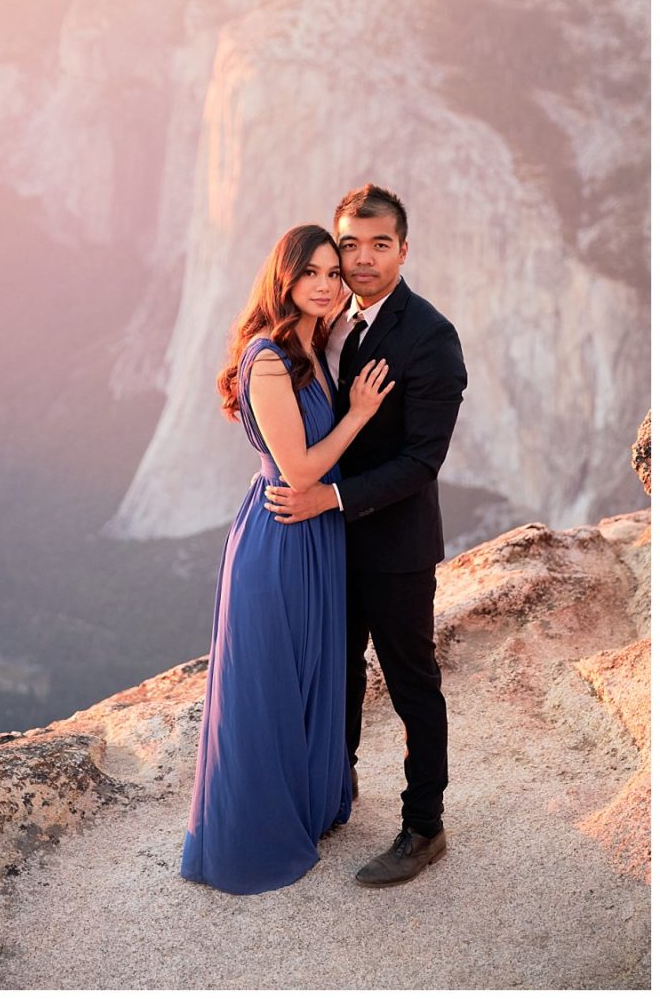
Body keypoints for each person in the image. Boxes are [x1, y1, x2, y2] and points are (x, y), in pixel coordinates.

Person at [181, 224, 393, 895]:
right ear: (285, 278)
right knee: (271, 680)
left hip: (317, 534)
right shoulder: (268, 357)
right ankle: (256, 831)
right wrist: (358, 414)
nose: (328, 283)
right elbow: (298, 468)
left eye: (335, 271)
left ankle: (308, 802)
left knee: (314, 668)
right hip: (280, 535)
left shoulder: (314, 344)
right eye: (313, 273)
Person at [265, 184, 467, 887]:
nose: (362, 258)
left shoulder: (432, 337)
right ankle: (335, 790)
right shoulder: (331, 322)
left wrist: (332, 495)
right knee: (338, 672)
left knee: (413, 683)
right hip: (330, 544)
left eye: (380, 244)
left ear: (403, 250)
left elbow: (423, 459)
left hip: (398, 548)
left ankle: (424, 825)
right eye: (349, 243)